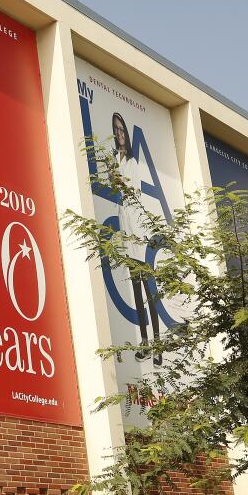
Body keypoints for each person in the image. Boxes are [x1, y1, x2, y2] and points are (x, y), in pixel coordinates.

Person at [110, 112, 162, 361]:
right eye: (116, 130)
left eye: (122, 130)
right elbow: (115, 190)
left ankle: (158, 344)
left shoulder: (132, 161)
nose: (120, 134)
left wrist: (118, 180)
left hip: (137, 231)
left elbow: (134, 193)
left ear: (127, 134)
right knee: (136, 289)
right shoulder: (115, 158)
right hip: (125, 229)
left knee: (146, 288)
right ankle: (145, 342)